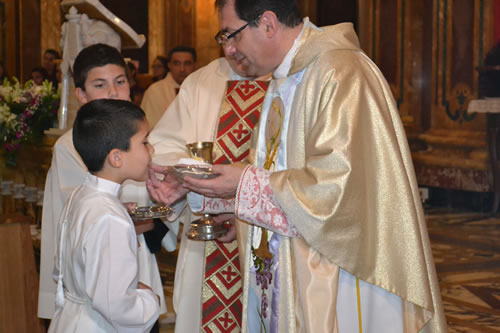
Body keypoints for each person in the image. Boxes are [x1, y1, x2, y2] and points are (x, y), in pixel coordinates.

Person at [149, 0, 447, 332]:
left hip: (342, 272)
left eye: (231, 35)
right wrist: (240, 211)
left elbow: (339, 191)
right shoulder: (286, 78)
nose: (229, 48)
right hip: (295, 265)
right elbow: (281, 174)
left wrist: (244, 182)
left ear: (267, 23)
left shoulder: (340, 72)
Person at [38, 44, 167, 325]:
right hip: (103, 289)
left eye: (120, 82)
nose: (112, 92)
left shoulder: (129, 135)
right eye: (100, 84)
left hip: (120, 270)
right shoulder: (69, 147)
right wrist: (151, 301)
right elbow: (76, 229)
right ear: (81, 94)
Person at [147, 51, 269, 331]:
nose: (231, 48)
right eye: (223, 37)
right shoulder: (201, 82)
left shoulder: (292, 78)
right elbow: (163, 146)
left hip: (264, 239)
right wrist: (186, 177)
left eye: (234, 34)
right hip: (206, 244)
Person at [48, 99, 160, 332]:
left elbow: (60, 269)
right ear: (116, 157)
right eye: (145, 142)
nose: (152, 149)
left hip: (70, 319)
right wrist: (150, 301)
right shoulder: (110, 217)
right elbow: (115, 305)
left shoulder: (79, 196)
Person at [140, 46, 197, 127]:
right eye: (177, 63)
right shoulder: (154, 91)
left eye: (187, 63)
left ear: (195, 65)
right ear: (169, 65)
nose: (182, 69)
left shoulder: (203, 90)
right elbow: (150, 128)